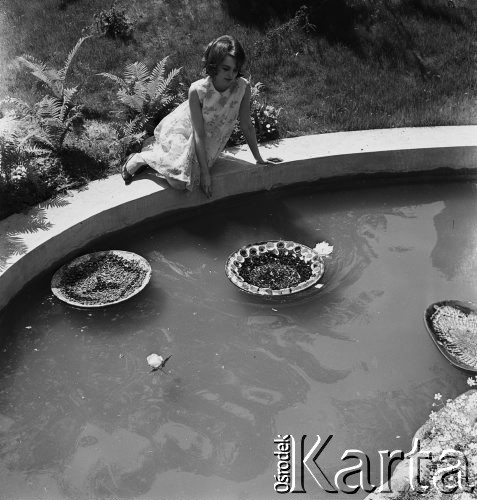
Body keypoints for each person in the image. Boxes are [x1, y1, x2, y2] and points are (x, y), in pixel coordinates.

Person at [121, 35, 270, 197]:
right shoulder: (198, 90)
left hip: (209, 145)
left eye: (235, 69)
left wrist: (259, 158)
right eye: (226, 68)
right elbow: (198, 133)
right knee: (179, 183)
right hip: (185, 134)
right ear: (214, 65)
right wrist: (206, 174)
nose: (231, 75)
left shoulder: (242, 87)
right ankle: (140, 158)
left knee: (187, 178)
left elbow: (247, 125)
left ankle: (160, 160)